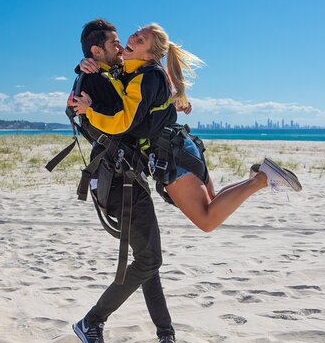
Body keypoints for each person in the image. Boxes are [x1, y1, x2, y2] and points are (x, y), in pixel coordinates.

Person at [73, 23, 302, 234]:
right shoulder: (137, 71)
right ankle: (257, 177)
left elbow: (124, 120)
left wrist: (89, 110)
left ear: (150, 55)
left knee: (207, 220)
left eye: (140, 40)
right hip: (182, 146)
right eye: (135, 34)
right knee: (212, 201)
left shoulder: (144, 78)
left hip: (171, 156)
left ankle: (261, 179)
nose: (130, 39)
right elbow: (115, 75)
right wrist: (82, 64)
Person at [70, 20, 176, 343]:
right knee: (149, 258)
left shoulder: (104, 76)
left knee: (148, 257)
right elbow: (120, 123)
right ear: (96, 51)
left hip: (124, 178)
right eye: (115, 43)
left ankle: (165, 331)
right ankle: (92, 321)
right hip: (120, 181)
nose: (121, 47)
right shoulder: (95, 79)